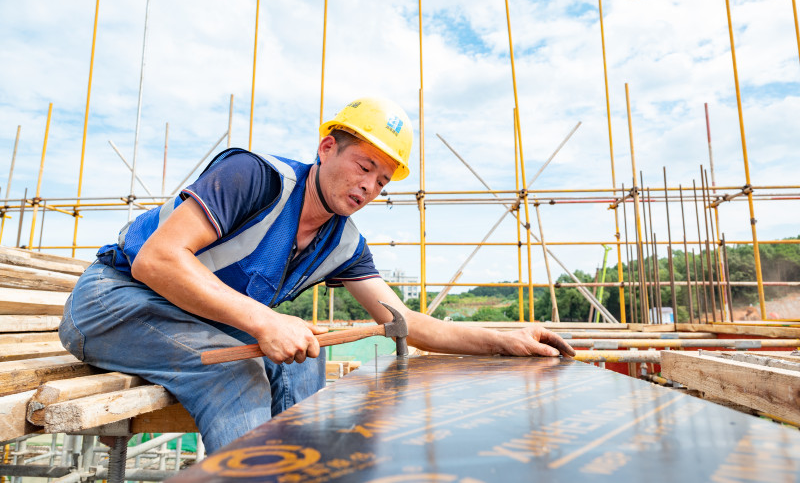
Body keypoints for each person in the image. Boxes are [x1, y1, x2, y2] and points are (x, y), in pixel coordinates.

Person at [59, 97, 575, 454]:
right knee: (234, 375)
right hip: (114, 305)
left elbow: (408, 323)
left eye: (382, 178)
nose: (370, 186)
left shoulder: (343, 241)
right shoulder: (255, 177)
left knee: (308, 358)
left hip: (190, 322)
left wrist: (505, 340)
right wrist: (263, 322)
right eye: (363, 165)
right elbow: (158, 260)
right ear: (327, 147)